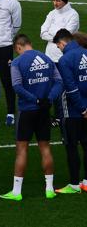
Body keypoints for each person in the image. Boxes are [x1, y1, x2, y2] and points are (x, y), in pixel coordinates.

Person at [0, 34, 62, 201]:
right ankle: (49, 189)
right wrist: (48, 99)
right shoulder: (46, 59)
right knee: (45, 148)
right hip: (43, 110)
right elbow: (58, 81)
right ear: (30, 43)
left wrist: (34, 100)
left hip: (27, 110)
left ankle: (17, 191)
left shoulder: (18, 62)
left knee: (21, 150)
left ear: (18, 47)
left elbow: (17, 87)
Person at [52, 29, 87, 194]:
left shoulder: (65, 59)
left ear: (62, 43)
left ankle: (74, 184)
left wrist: (82, 108)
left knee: (71, 147)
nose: (59, 49)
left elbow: (70, 88)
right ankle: (86, 182)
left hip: (72, 111)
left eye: (58, 46)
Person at [40, 0, 79, 125]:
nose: (55, 3)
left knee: (63, 88)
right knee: (50, 87)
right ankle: (53, 115)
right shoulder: (52, 14)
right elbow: (42, 32)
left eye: (58, 0)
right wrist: (55, 36)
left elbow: (65, 35)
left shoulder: (73, 15)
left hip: (64, 58)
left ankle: (61, 116)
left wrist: (52, 35)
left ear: (65, 0)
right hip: (49, 56)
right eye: (54, 0)